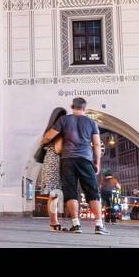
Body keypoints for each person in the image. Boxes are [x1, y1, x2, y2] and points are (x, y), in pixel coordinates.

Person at [42, 97, 105, 235]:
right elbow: (96, 145)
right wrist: (97, 163)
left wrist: (45, 141)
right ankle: (99, 225)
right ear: (84, 108)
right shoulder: (91, 122)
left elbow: (47, 137)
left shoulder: (64, 120)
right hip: (85, 160)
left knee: (71, 193)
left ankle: (76, 225)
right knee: (92, 193)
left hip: (67, 160)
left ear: (72, 106)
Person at [37, 106, 67, 231]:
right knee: (54, 195)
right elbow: (58, 149)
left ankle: (53, 222)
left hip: (48, 163)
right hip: (55, 164)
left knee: (53, 195)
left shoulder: (48, 131)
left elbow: (44, 143)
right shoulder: (59, 132)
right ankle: (53, 223)